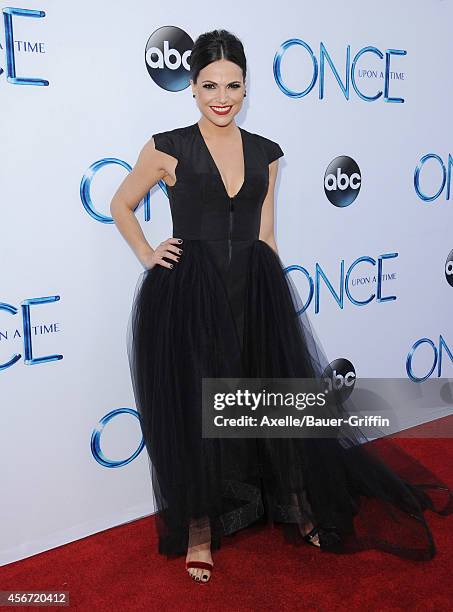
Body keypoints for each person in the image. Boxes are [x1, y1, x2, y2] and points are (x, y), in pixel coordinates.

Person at [110, 29, 452, 584]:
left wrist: (275, 298)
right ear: (192, 88)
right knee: (201, 406)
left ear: (247, 86)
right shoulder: (167, 146)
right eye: (210, 85)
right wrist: (149, 252)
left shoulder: (266, 153)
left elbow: (267, 232)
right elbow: (121, 203)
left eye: (234, 85)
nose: (222, 97)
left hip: (255, 284)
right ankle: (200, 528)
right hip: (189, 293)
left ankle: (297, 503)